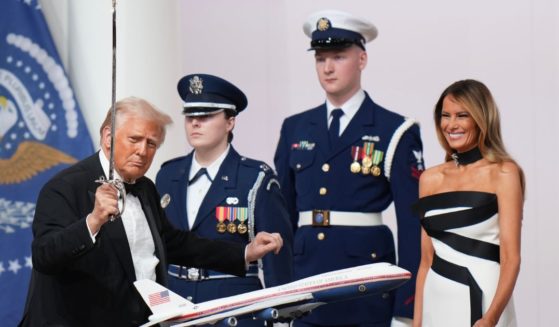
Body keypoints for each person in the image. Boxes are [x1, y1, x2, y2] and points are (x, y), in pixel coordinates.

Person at [18, 97, 283, 327]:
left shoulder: (144, 188)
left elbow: (173, 243)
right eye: (134, 139)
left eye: (152, 143)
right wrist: (93, 221)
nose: (143, 151)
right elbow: (44, 255)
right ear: (108, 137)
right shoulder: (64, 187)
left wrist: (244, 252)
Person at [274, 9, 424, 327]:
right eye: (320, 58)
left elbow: (413, 227)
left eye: (339, 56)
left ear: (362, 59)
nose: (327, 68)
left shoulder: (394, 129)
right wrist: (276, 296)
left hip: (365, 288)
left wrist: (406, 309)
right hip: (304, 286)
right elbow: (281, 219)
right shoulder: (295, 128)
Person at [155, 74, 293, 325]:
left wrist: (282, 316)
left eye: (206, 116)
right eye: (190, 116)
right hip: (174, 307)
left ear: (230, 122)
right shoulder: (167, 175)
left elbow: (276, 255)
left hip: (233, 309)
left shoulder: (255, 179)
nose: (195, 123)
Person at [412, 79, 523, 327]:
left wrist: (491, 317)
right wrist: (416, 323)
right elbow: (426, 261)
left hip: (485, 302)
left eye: (462, 115)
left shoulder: (504, 173)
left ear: (481, 119)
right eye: (445, 116)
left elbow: (511, 257)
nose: (451, 125)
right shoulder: (429, 178)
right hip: (436, 301)